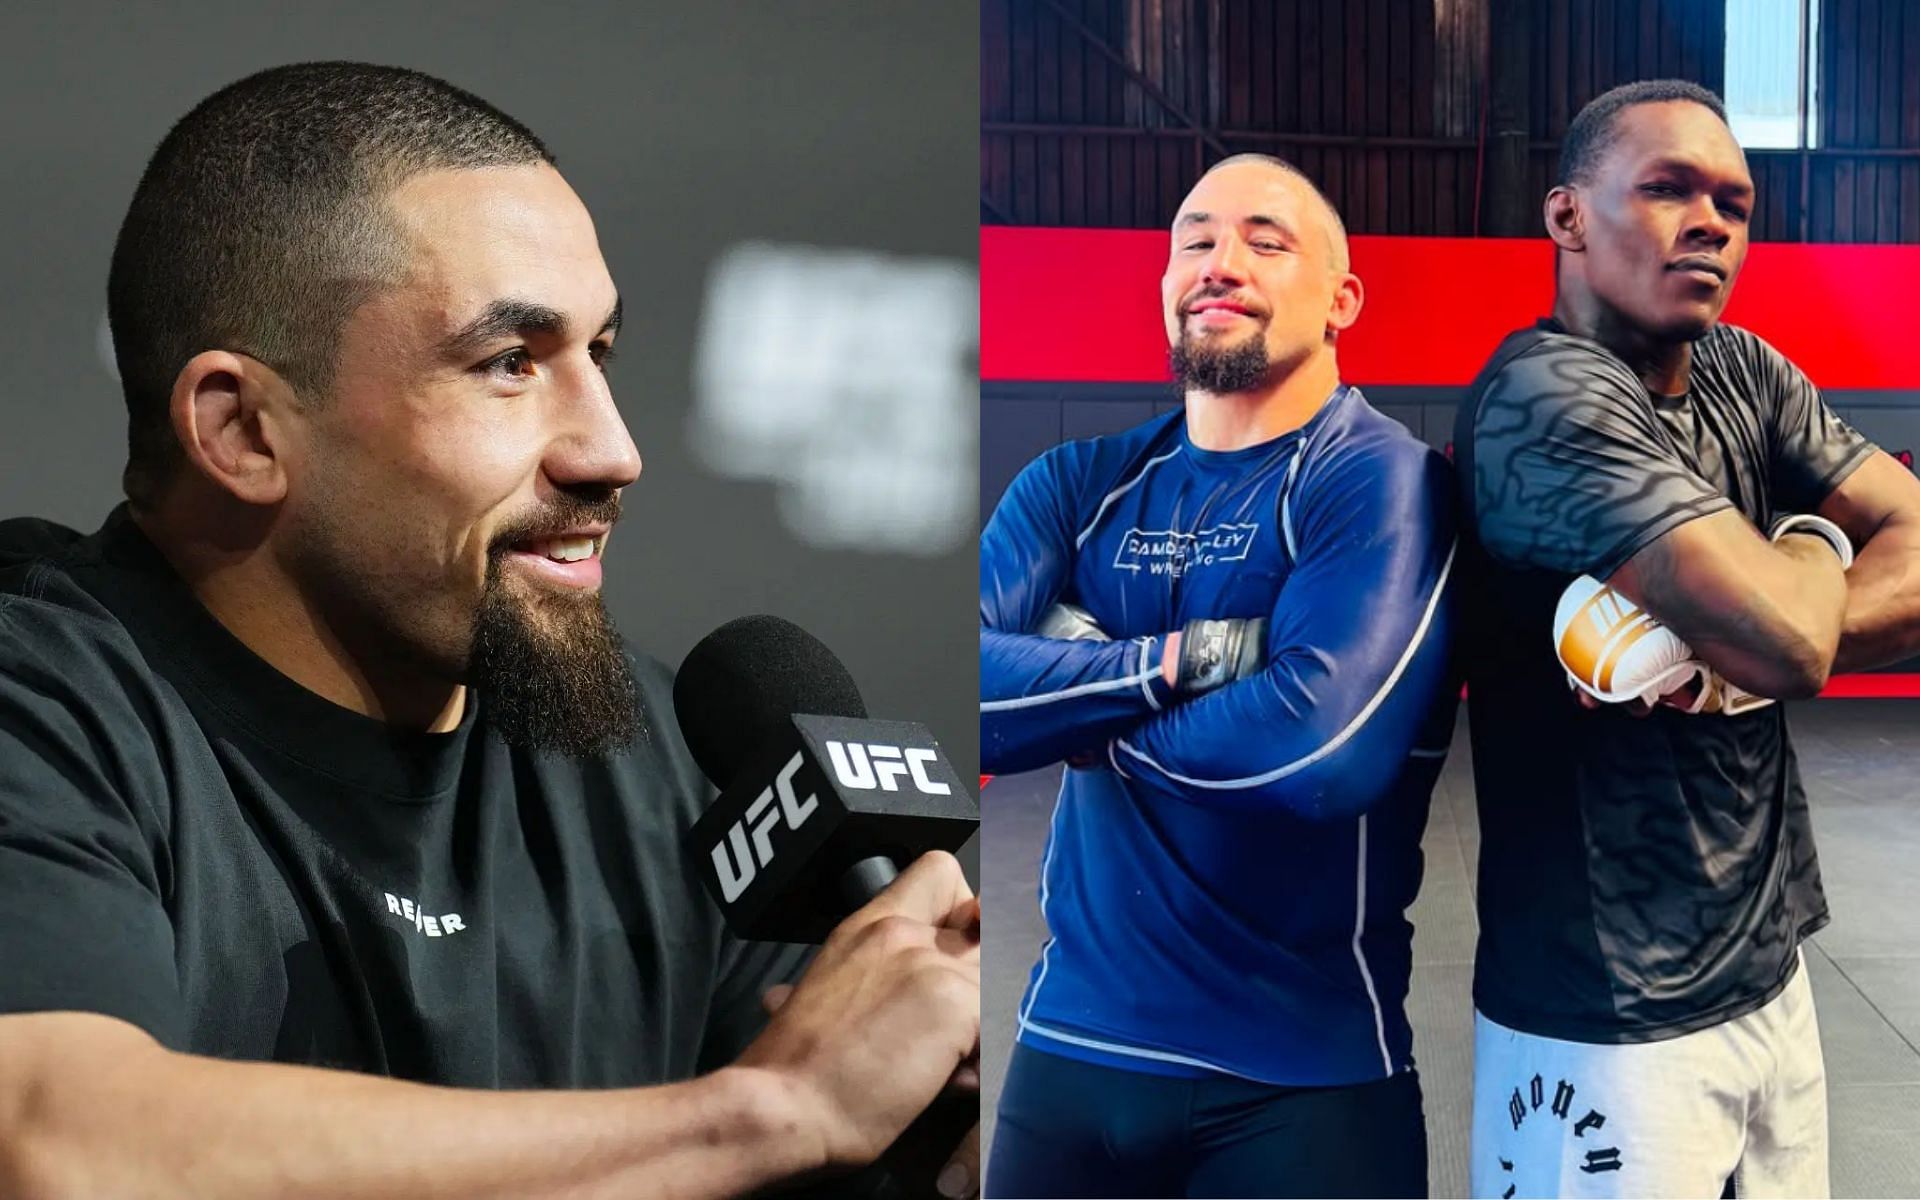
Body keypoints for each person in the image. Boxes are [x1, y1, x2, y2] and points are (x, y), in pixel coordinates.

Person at [0, 63, 979, 1199]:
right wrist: (770, 1110)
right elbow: (56, 1142)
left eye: (598, 355)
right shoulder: (43, 715)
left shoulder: (663, 764)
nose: (613, 450)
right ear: (243, 431)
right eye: (509, 365)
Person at [1455, 79, 1920, 1199]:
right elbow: (1790, 646)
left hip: (1768, 967)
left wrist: (1756, 623)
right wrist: (1814, 549)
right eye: (1666, 189)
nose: (1711, 222)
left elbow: (1893, 544)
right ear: (1567, 216)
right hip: (1602, 1013)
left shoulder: (1746, 371)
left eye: (1735, 202)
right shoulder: (1543, 401)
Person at [979, 154, 1458, 1198]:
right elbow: (966, 696)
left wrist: (1066, 697)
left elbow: (1318, 750)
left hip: (1305, 1086)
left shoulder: (1382, 481)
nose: (1220, 262)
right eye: (1194, 240)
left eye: (1265, 241)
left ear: (1343, 299)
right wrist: (1187, 662)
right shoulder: (1076, 485)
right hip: (1069, 1055)